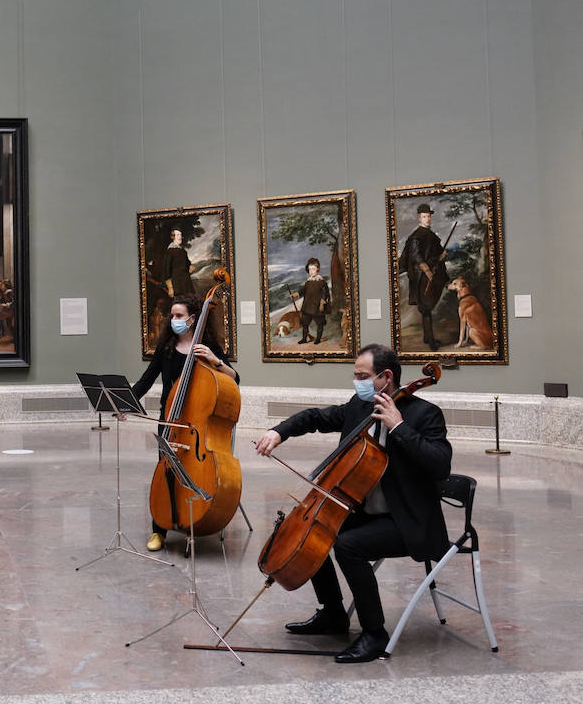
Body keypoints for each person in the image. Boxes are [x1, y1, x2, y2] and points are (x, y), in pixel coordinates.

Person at [254, 343, 452, 663]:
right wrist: (279, 432)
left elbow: (440, 465)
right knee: (316, 530)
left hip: (409, 521)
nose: (356, 381)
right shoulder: (360, 407)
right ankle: (334, 615)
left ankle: (374, 633)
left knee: (348, 545)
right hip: (368, 512)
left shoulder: (424, 414)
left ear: (386, 377)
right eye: (356, 375)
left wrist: (398, 427)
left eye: (363, 375)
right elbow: (317, 417)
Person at [130, 293, 238, 552]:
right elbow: (147, 379)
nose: (174, 319)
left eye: (179, 315)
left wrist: (216, 361)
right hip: (170, 420)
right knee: (166, 471)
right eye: (172, 315)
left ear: (193, 319)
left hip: (199, 426)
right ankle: (159, 530)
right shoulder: (166, 348)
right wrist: (127, 403)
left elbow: (234, 379)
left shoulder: (208, 348)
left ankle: (197, 518)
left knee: (197, 473)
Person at [400, 203, 449, 350]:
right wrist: (427, 272)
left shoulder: (430, 234)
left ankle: (428, 337)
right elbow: (415, 256)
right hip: (422, 277)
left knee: (428, 306)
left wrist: (442, 255)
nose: (427, 219)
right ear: (419, 218)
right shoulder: (417, 235)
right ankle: (430, 340)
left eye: (429, 216)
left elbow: (436, 253)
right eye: (424, 216)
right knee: (426, 306)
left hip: (432, 274)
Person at [299, 257, 332, 345]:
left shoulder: (321, 282)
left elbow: (325, 293)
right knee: (305, 323)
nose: (311, 271)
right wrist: (297, 294)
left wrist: (322, 302)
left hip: (318, 306)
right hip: (307, 306)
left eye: (313, 269)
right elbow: (303, 290)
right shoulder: (308, 282)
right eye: (309, 269)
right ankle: (304, 339)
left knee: (319, 324)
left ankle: (318, 339)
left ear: (318, 269)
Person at [160, 229, 196, 298]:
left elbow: (187, 265)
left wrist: (190, 268)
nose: (180, 237)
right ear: (173, 237)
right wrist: (170, 288)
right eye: (178, 235)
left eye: (181, 235)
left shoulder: (183, 251)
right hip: (176, 283)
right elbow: (167, 271)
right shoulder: (169, 252)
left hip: (187, 282)